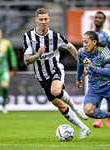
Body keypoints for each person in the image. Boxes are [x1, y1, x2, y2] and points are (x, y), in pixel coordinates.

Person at [23, 8, 90, 139]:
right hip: (42, 78)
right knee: (61, 106)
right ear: (36, 20)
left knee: (55, 90)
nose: (43, 22)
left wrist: (80, 65)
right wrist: (37, 55)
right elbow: (26, 60)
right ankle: (83, 128)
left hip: (55, 69)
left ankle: (76, 108)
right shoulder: (28, 36)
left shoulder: (55, 36)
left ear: (49, 19)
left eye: (45, 19)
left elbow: (71, 47)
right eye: (40, 19)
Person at [91, 11, 110, 128]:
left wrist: (103, 52)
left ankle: (109, 114)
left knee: (107, 92)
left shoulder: (108, 34)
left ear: (104, 20)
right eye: (96, 17)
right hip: (94, 68)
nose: (97, 19)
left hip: (106, 68)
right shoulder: (91, 34)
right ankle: (98, 119)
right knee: (95, 91)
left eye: (100, 18)